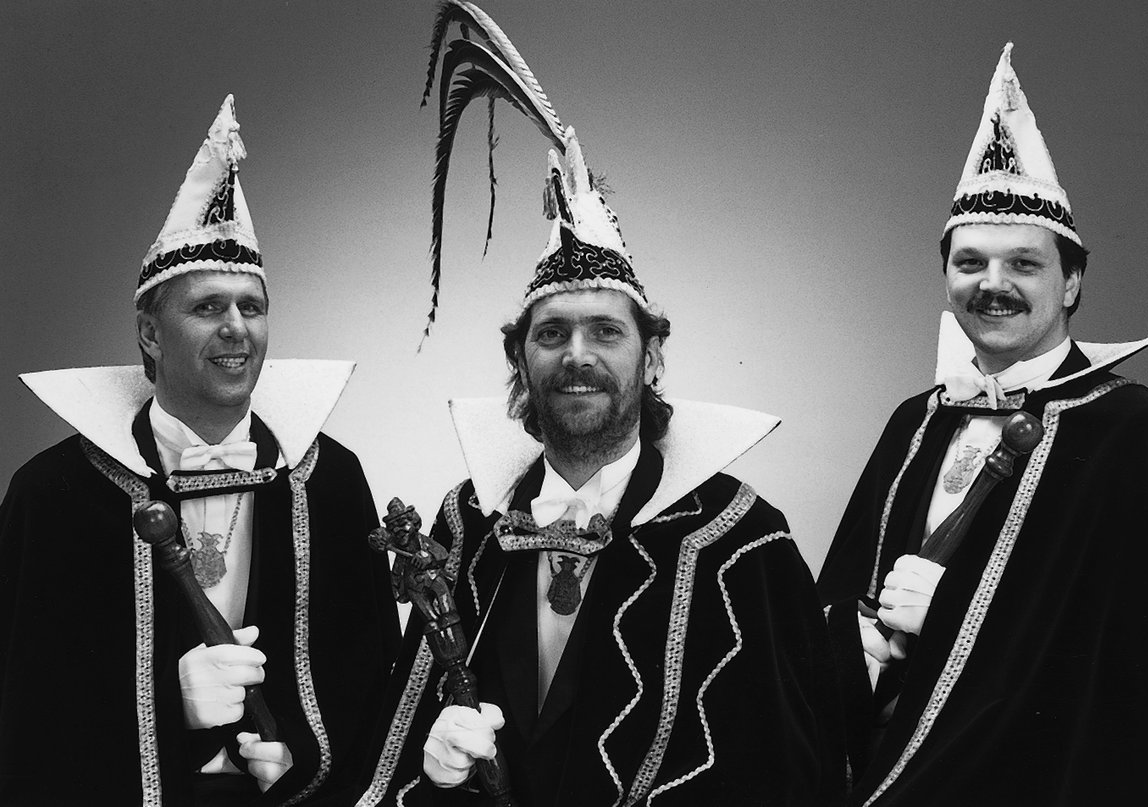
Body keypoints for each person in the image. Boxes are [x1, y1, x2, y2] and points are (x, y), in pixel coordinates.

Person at [352, 3, 843, 805]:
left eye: (606, 331)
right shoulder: (465, 526)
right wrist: (435, 770)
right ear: (519, 359)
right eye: (551, 334)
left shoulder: (742, 542)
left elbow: (790, 771)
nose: (576, 355)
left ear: (652, 357)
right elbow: (400, 746)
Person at [817, 43, 1148, 806]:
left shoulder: (1140, 434)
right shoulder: (915, 422)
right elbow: (838, 602)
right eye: (971, 263)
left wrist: (953, 612)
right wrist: (851, 643)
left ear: (1073, 281)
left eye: (1023, 264)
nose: (993, 284)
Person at [0, 96, 401, 805]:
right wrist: (168, 702)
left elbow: (369, 678)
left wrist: (304, 752)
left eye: (252, 307)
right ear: (150, 334)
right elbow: (28, 700)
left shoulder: (330, 479)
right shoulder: (53, 494)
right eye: (208, 307)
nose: (236, 328)